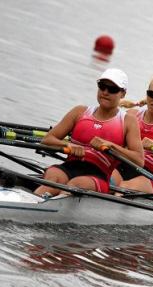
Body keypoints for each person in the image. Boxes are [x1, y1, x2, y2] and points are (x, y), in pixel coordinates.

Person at [34, 68, 144, 196]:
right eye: (102, 87)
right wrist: (67, 145)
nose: (105, 92)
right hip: (69, 167)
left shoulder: (128, 121)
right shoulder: (79, 112)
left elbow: (139, 160)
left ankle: (49, 207)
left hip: (98, 175)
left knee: (75, 185)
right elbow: (47, 140)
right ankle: (31, 203)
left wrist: (111, 146)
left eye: (112, 89)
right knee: (53, 179)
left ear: (123, 94)